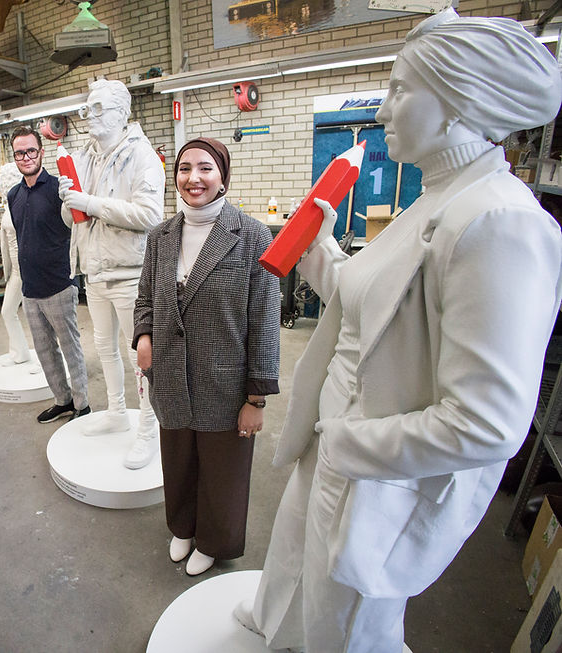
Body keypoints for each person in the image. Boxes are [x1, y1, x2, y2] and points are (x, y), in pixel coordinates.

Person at [237, 10, 562, 651]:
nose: (383, 112)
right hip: (336, 438)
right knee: (293, 573)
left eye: (398, 91)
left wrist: (351, 444)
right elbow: (377, 313)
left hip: (374, 467)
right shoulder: (434, 196)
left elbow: (487, 423)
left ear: (457, 104)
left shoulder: (500, 223)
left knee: (345, 625)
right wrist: (325, 253)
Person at [133, 137, 280, 576]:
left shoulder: (251, 234)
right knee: (178, 458)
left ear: (222, 176)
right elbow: (145, 297)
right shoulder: (161, 236)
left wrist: (256, 398)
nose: (193, 178)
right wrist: (144, 335)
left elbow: (265, 318)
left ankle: (214, 541)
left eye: (205, 168)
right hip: (171, 377)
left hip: (225, 381)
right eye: (183, 169)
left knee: (222, 471)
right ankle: (183, 526)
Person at [58, 78, 165, 469]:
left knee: (142, 355)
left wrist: (91, 202)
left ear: (123, 113)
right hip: (95, 270)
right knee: (104, 347)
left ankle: (149, 429)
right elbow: (73, 218)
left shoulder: (142, 156)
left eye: (99, 109)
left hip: (130, 273)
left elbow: (151, 216)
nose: (89, 117)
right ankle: (117, 411)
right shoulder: (83, 156)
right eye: (87, 109)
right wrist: (69, 202)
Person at [8, 126, 90, 423]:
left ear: (41, 152)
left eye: (31, 150)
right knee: (44, 351)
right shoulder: (13, 194)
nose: (26, 157)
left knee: (70, 348)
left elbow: (77, 226)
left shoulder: (59, 188)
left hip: (58, 284)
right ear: (15, 157)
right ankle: (63, 400)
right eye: (20, 152)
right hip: (30, 289)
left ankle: (82, 405)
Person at [0, 161, 38, 370]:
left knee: (39, 318)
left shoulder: (25, 203)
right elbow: (5, 239)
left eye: (7, 180)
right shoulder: (7, 207)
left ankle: (48, 359)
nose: (3, 184)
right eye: (2, 181)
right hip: (16, 272)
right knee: (7, 311)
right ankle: (20, 352)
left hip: (32, 269)